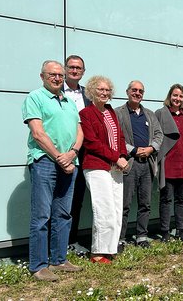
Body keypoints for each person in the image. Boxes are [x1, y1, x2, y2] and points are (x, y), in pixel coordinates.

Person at [22, 60, 84, 281]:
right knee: (42, 215)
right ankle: (38, 265)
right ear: (42, 77)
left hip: (70, 163)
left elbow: (79, 131)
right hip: (45, 163)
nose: (57, 78)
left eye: (60, 75)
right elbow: (38, 134)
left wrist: (72, 154)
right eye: (52, 75)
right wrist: (60, 157)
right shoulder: (35, 98)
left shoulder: (69, 101)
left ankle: (59, 260)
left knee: (63, 214)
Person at [80, 76, 128, 264]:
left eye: (107, 90)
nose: (104, 93)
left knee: (116, 209)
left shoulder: (110, 111)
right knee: (104, 209)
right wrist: (115, 157)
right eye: (100, 89)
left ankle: (111, 248)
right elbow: (91, 142)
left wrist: (123, 156)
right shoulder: (86, 113)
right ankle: (98, 252)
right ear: (92, 91)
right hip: (96, 166)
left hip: (115, 167)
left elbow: (120, 137)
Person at [115, 80, 163, 249]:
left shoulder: (149, 114)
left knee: (145, 203)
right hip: (129, 163)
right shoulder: (118, 113)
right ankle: (119, 239)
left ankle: (141, 236)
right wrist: (133, 150)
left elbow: (159, 135)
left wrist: (151, 148)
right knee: (124, 204)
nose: (137, 93)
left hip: (147, 164)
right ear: (127, 91)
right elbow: (117, 137)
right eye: (134, 90)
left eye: (140, 91)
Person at [155, 84, 183, 242]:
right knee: (166, 199)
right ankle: (165, 231)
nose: (177, 99)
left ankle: (180, 229)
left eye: (181, 96)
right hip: (167, 165)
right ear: (170, 96)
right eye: (175, 95)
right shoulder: (161, 113)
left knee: (181, 199)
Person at [63, 55, 92, 254]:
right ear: (66, 69)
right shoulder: (56, 92)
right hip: (61, 152)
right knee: (58, 199)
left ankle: (70, 241)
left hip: (83, 153)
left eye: (78, 68)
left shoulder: (87, 95)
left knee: (76, 199)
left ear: (83, 71)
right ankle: (55, 243)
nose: (75, 71)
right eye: (71, 67)